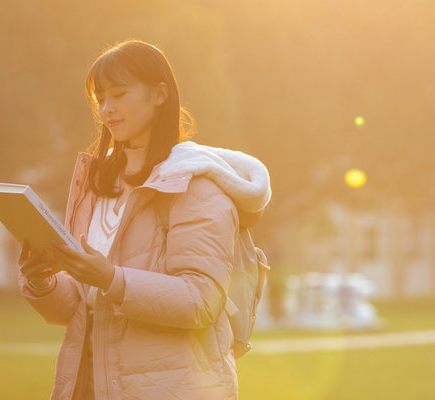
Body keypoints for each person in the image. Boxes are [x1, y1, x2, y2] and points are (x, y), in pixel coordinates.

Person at [18, 39, 271, 400]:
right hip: (87, 386)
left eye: (119, 94)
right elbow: (81, 307)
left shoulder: (196, 184)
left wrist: (109, 277)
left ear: (160, 94)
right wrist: (42, 279)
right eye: (99, 98)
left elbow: (201, 300)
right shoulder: (98, 182)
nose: (107, 108)